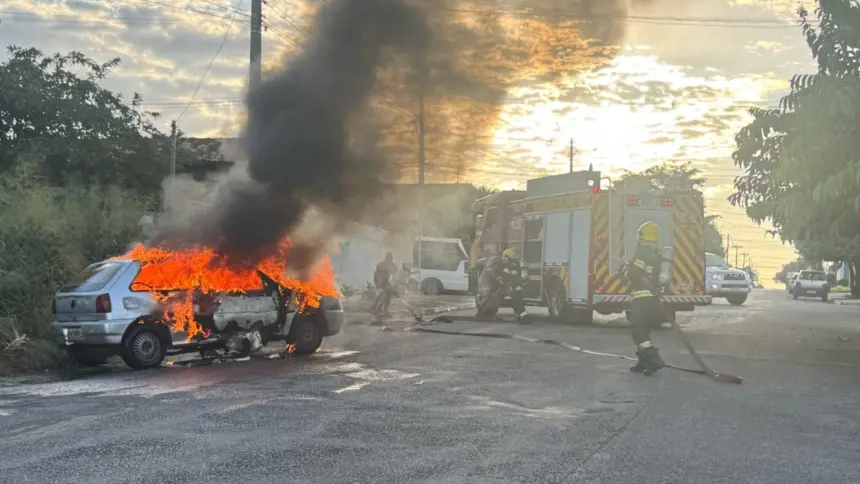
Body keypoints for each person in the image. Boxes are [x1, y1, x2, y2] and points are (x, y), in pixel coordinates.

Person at [624, 221, 667, 375]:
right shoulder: (654, 252)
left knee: (638, 331)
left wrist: (626, 273)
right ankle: (643, 363)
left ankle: (653, 362)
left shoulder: (643, 251)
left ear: (641, 235)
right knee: (644, 330)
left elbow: (634, 273)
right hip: (651, 298)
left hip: (642, 297)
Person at [501, 248, 529, 323]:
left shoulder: (508, 265)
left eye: (505, 256)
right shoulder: (516, 264)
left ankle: (524, 317)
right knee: (515, 302)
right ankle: (519, 316)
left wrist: (501, 280)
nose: (504, 258)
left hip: (514, 287)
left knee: (516, 302)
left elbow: (506, 276)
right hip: (518, 286)